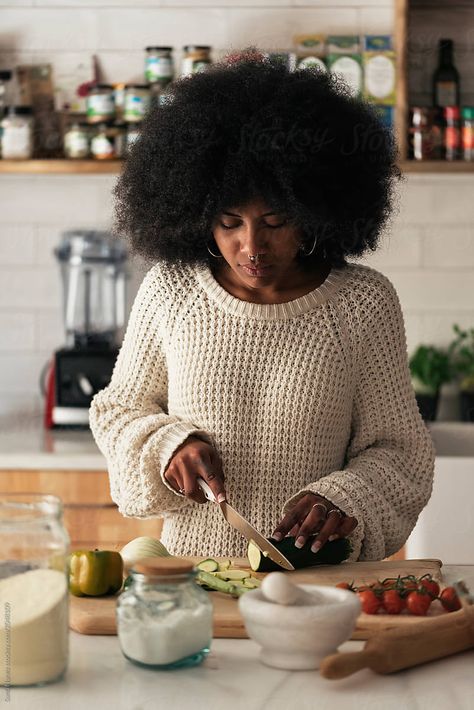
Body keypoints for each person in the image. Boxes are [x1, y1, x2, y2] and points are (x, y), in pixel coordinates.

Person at [89, 50, 435, 562]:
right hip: (190, 580)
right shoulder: (172, 291)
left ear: (315, 213)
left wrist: (344, 499)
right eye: (230, 222)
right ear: (197, 212)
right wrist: (169, 447)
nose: (252, 246)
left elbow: (401, 454)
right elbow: (119, 411)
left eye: (274, 223)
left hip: (316, 586)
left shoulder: (362, 304)